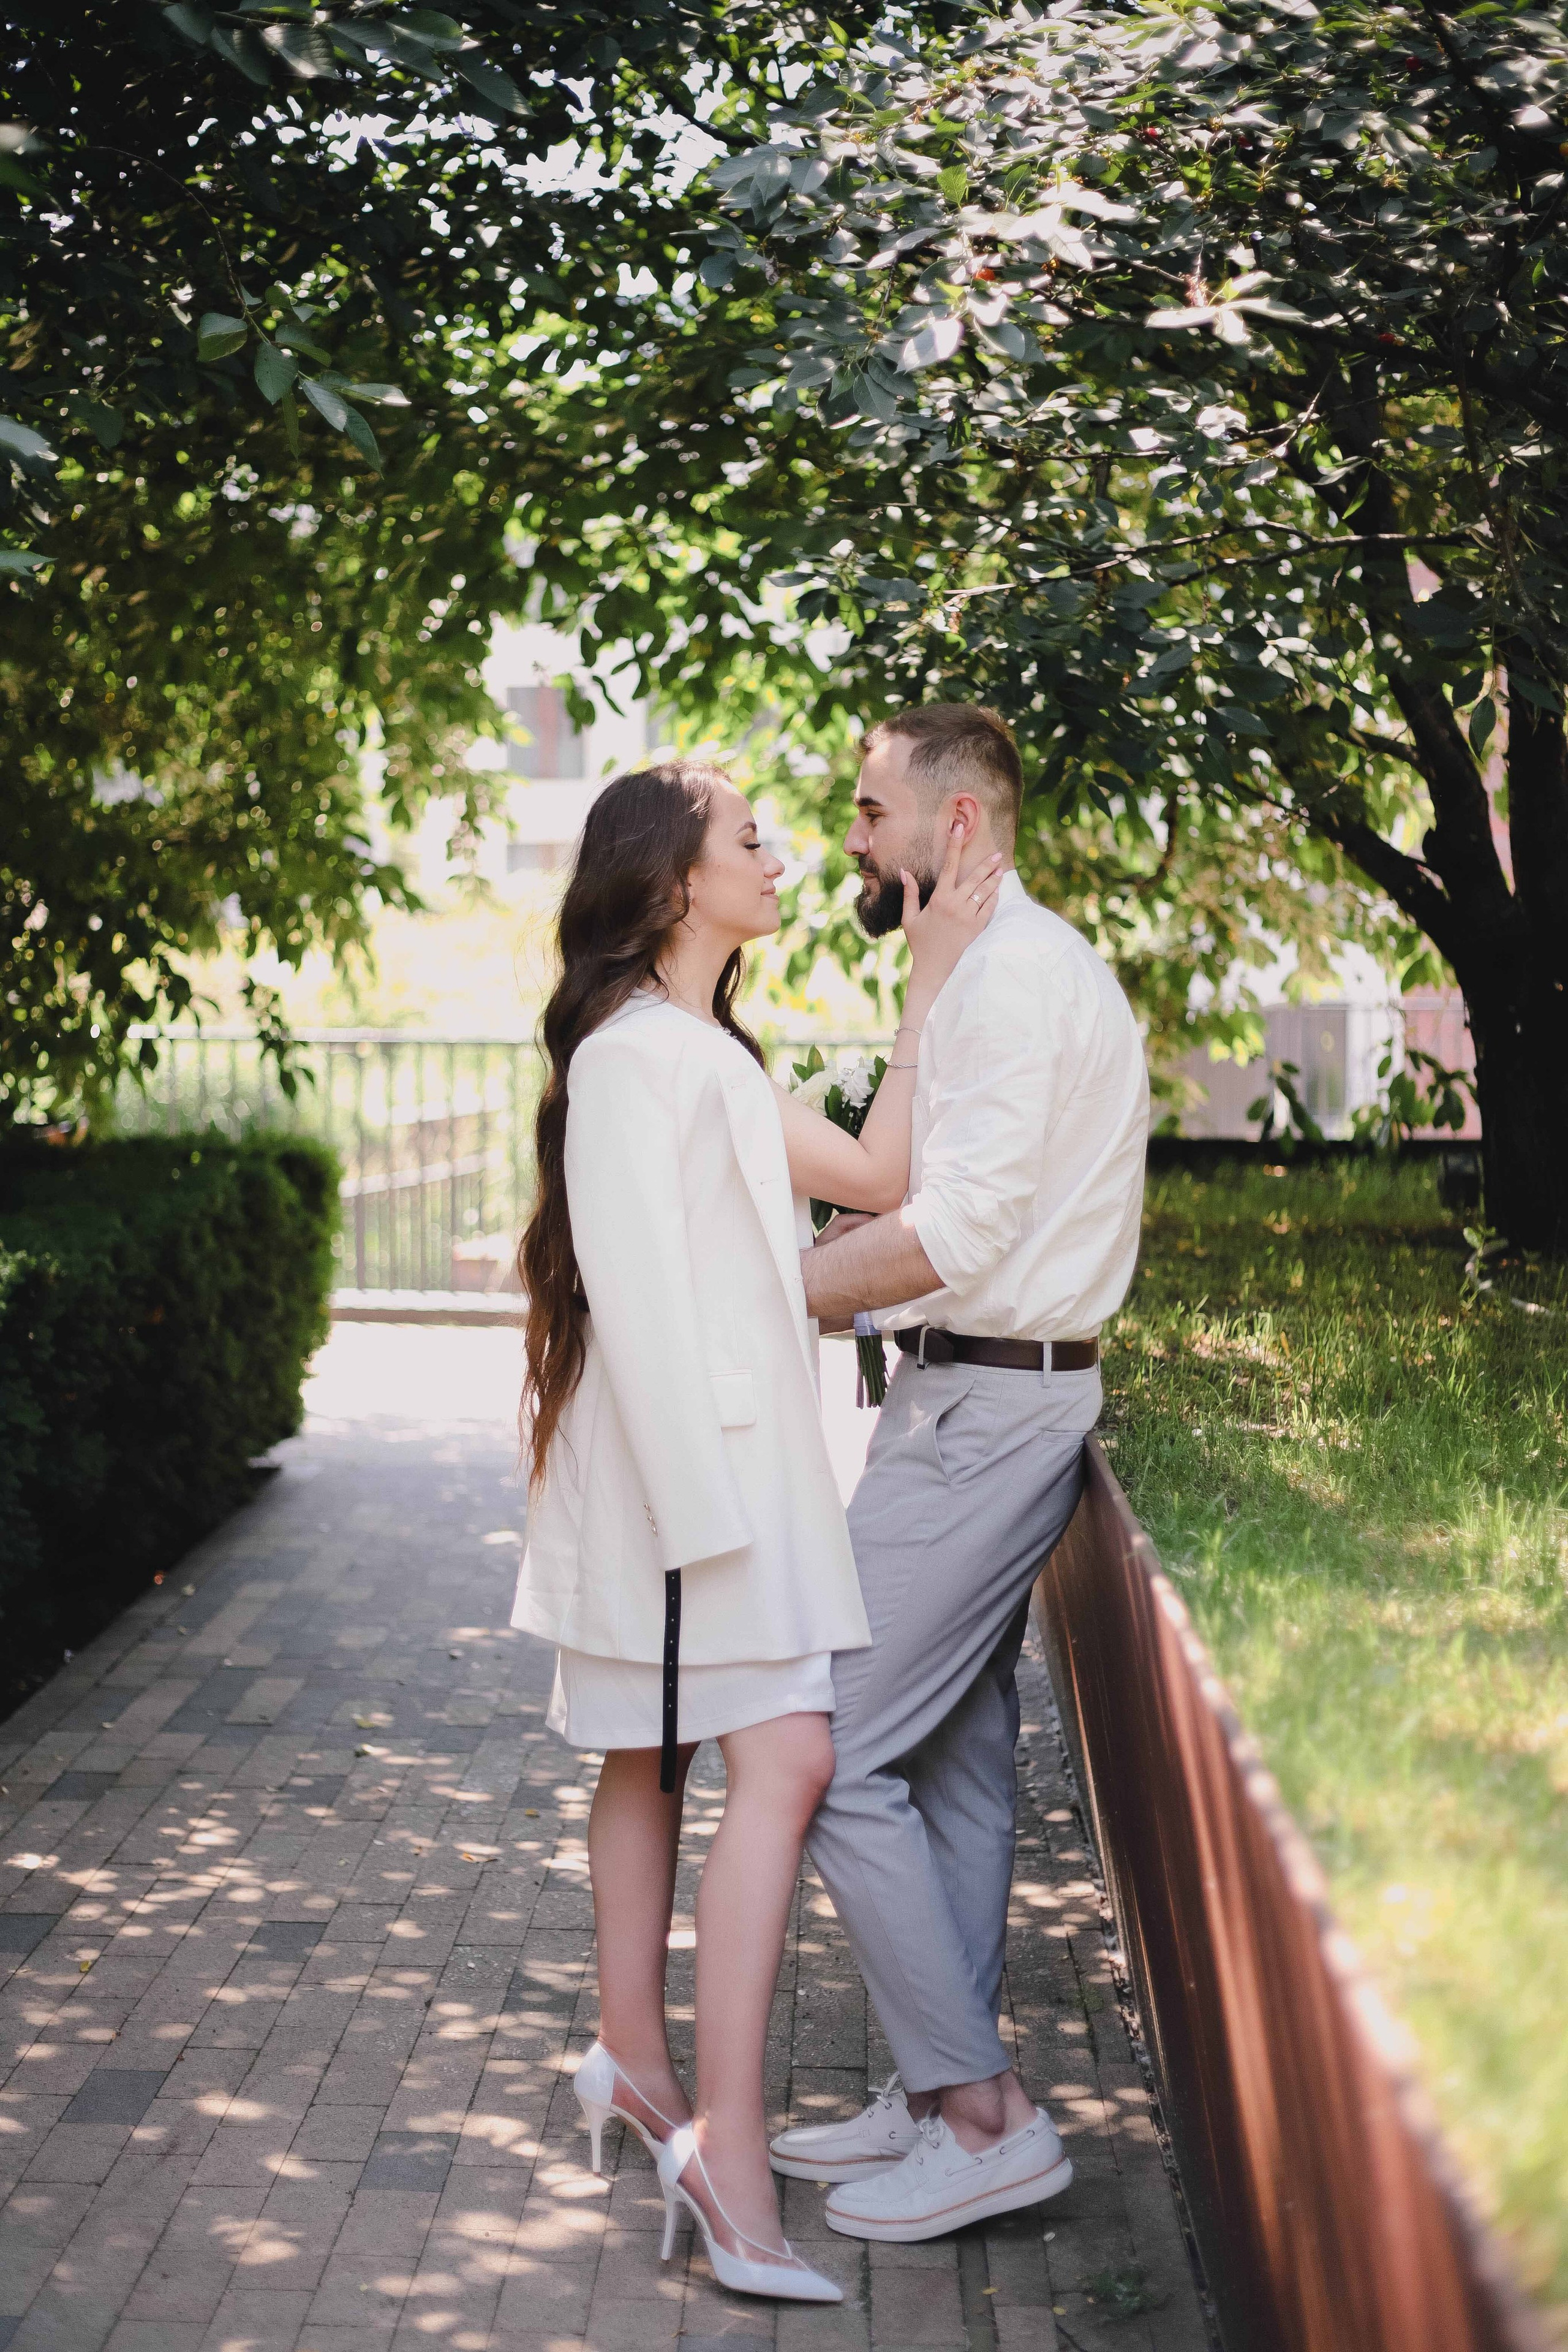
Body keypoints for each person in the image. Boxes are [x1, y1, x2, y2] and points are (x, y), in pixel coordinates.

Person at [511, 758, 1001, 2302]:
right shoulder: (631, 1061)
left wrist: (922, 997)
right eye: (748, 839)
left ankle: (642, 2075)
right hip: (697, 1496)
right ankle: (720, 2147)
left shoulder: (702, 1050)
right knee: (781, 1757)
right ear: (672, 884)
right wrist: (703, 1531)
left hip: (726, 1485)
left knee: (653, 1760)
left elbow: (874, 1178)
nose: (780, 855)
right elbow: (645, 1315)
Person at [767, 703, 1150, 2243]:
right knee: (948, 1761)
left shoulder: (1020, 985)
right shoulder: (983, 975)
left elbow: (954, 1235)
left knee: (829, 1738)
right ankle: (940, 2095)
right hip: (962, 1398)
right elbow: (902, 1179)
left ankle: (982, 2112)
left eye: (871, 813)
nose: (853, 839)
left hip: (991, 1413)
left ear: (959, 828)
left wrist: (765, 1293)